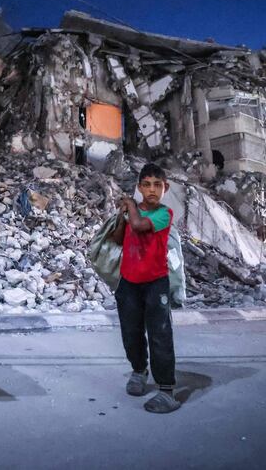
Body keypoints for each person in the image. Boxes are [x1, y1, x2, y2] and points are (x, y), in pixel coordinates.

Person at [109, 163, 181, 413]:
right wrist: (121, 217)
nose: (152, 190)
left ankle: (166, 390)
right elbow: (119, 238)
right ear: (140, 187)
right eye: (147, 184)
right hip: (128, 282)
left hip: (155, 283)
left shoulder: (164, 214)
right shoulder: (133, 212)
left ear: (165, 188)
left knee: (160, 335)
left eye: (157, 185)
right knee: (131, 332)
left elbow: (139, 226)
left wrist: (129, 207)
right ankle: (139, 371)